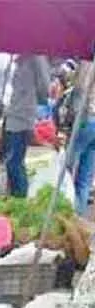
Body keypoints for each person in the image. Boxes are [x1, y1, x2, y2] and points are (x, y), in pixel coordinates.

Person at [1, 55, 50, 198]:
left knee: (14, 163)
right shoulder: (20, 61)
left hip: (23, 117)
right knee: (11, 162)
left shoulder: (37, 58)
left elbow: (45, 87)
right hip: (14, 114)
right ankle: (15, 196)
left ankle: (20, 198)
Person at [70, 61, 95, 217]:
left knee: (68, 167)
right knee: (85, 176)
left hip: (87, 119)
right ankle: (80, 215)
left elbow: (80, 89)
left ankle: (68, 210)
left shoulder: (88, 62)